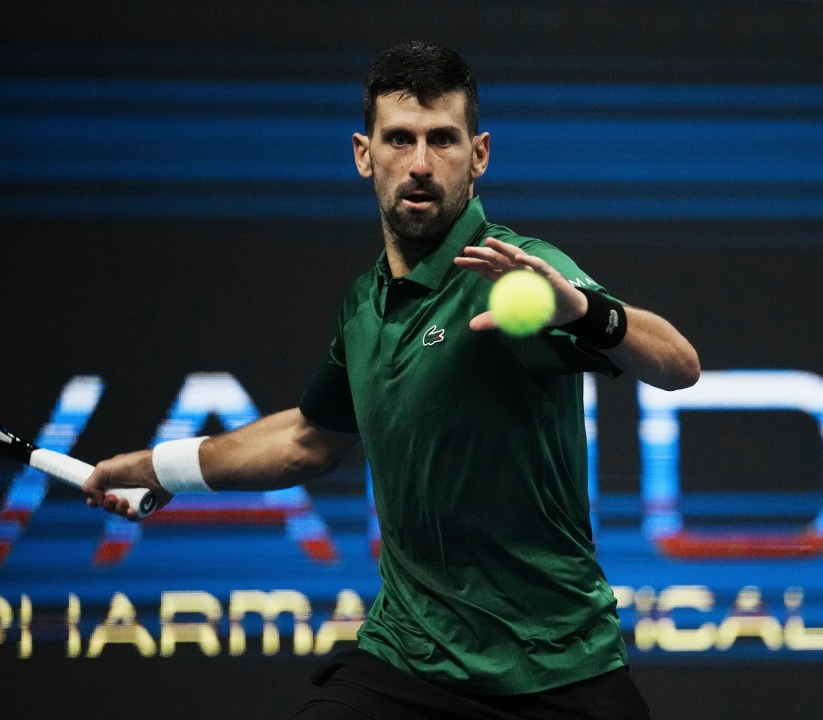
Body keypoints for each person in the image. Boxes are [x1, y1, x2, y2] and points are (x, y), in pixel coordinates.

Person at [83, 41, 700, 720]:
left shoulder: (517, 271)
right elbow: (308, 439)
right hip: (409, 658)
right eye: (400, 139)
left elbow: (678, 364)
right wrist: (161, 467)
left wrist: (584, 311)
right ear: (364, 154)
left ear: (480, 155)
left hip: (554, 669)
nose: (420, 164)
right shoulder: (363, 305)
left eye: (443, 139)